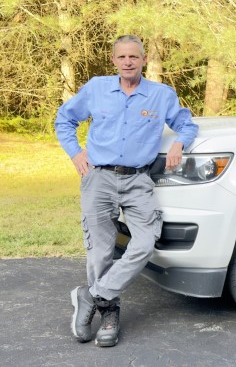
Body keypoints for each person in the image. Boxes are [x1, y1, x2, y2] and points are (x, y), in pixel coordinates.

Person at [55, 35, 199, 347]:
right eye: (122, 57)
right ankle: (109, 314)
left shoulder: (161, 95)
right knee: (101, 252)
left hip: (138, 181)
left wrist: (178, 143)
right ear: (113, 61)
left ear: (144, 60)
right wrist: (75, 153)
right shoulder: (96, 88)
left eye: (134, 57)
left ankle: (91, 295)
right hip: (99, 179)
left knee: (145, 243)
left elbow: (187, 125)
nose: (128, 62)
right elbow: (64, 120)